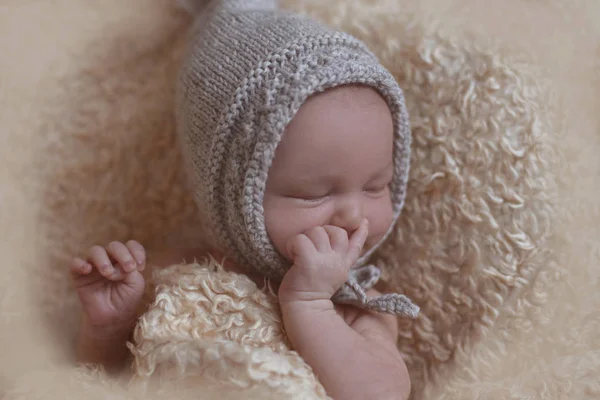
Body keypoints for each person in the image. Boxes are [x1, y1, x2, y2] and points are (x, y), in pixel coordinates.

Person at [70, 1, 418, 399]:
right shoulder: (176, 274)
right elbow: (101, 380)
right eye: (314, 193)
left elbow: (381, 393)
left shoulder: (355, 304)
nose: (355, 216)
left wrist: (310, 304)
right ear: (233, 198)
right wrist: (108, 328)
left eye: (377, 186)